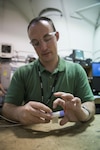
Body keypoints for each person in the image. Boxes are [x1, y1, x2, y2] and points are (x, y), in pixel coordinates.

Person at [2, 16, 95, 126]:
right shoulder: (22, 73)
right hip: (32, 136)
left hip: (68, 131)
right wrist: (19, 113)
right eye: (36, 43)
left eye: (47, 38)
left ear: (57, 36)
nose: (43, 47)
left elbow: (89, 103)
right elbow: (7, 108)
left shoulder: (76, 70)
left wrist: (83, 113)